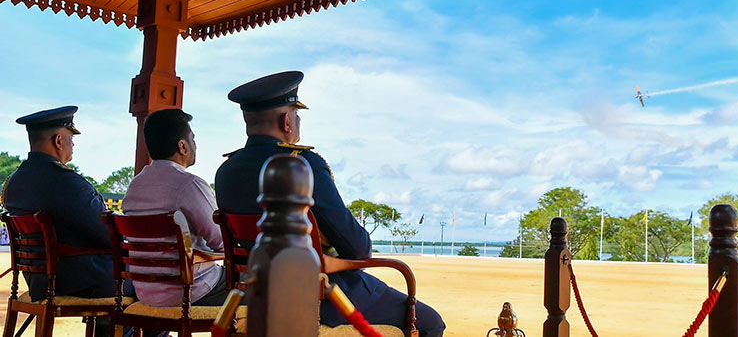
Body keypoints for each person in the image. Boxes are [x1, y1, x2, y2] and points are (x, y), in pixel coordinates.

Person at [215, 71, 445, 337]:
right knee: (429, 322)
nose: (298, 120)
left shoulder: (226, 171)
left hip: (252, 295)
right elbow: (358, 248)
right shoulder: (303, 164)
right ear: (286, 121)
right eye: (296, 113)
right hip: (320, 297)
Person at [2, 106, 117, 336]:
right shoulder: (66, 183)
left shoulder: (14, 183)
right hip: (78, 281)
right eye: (71, 138)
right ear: (58, 140)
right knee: (148, 289)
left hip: (38, 281)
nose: (73, 144)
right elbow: (109, 234)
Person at [123, 108, 227, 307]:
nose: (195, 144)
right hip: (191, 291)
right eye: (192, 139)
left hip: (145, 292)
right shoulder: (189, 184)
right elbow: (221, 241)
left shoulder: (134, 187)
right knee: (259, 290)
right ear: (183, 146)